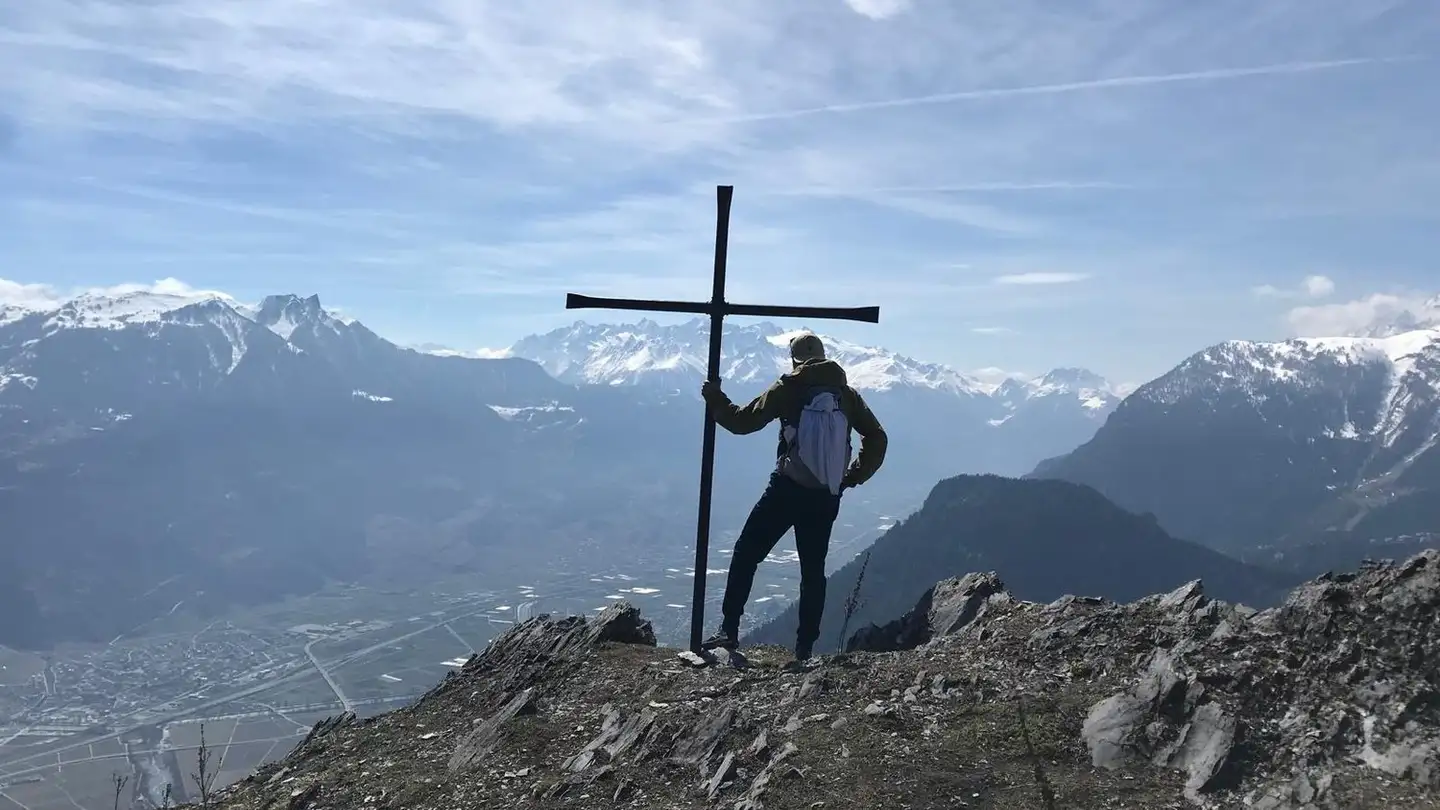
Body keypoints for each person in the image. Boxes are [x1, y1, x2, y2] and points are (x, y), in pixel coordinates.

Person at [698, 332, 887, 662]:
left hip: (786, 490)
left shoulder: (788, 389)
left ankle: (728, 630)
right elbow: (877, 437)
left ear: (795, 359)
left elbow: (743, 421)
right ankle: (804, 651)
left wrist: (716, 399)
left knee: (747, 552)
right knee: (813, 572)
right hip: (826, 495)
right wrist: (851, 476)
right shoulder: (846, 396)